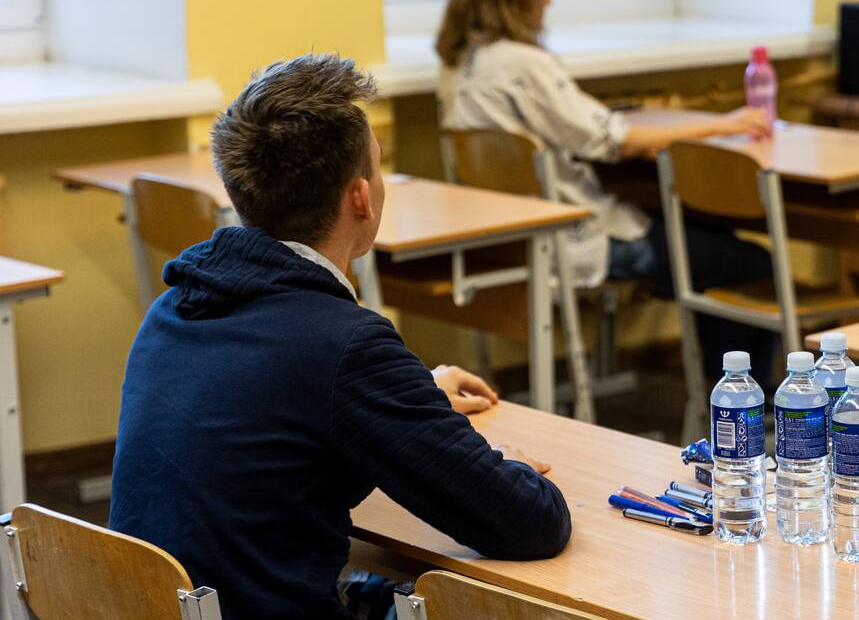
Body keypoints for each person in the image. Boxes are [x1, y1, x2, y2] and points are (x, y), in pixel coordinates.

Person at [109, 55, 571, 620]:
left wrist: (415, 400)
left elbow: (282, 445)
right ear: (360, 197)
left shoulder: (172, 309)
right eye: (378, 168)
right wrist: (503, 465)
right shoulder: (343, 346)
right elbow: (530, 524)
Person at [436, 0, 779, 379]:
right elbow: (614, 139)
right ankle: (740, 396)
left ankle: (720, 389)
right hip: (573, 240)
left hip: (506, 238)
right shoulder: (522, 63)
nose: (548, 1)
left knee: (709, 237)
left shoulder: (457, 63)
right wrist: (723, 124)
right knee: (751, 262)